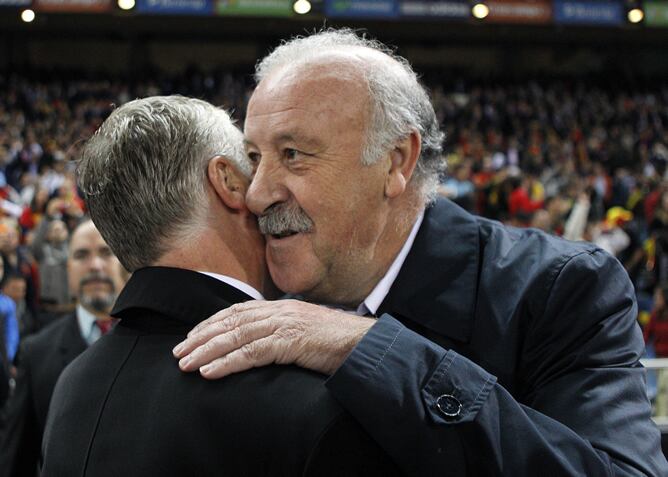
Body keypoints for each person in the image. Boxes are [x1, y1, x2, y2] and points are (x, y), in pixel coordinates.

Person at [174, 29, 668, 476]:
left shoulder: (558, 288)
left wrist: (372, 350)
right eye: (254, 158)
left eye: (293, 155)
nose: (258, 194)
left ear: (396, 162)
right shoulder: (244, 292)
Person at [41, 96, 400, 477]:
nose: (266, 185)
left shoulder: (72, 384)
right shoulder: (309, 397)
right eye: (253, 161)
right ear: (227, 180)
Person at [0, 219, 125, 477]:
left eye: (106, 252)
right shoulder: (36, 353)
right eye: (81, 255)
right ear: (68, 270)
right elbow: (17, 460)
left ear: (126, 264)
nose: (95, 265)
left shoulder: (163, 343)